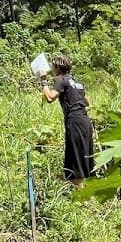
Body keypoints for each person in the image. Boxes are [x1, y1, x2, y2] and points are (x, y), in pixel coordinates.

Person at [40, 54, 94, 188]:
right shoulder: (78, 83)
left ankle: (82, 198)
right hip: (85, 121)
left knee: (75, 158)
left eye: (53, 67)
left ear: (58, 68)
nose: (52, 69)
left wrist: (44, 81)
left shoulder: (60, 79)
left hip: (74, 122)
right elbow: (87, 102)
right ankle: (87, 190)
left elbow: (50, 98)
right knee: (84, 156)